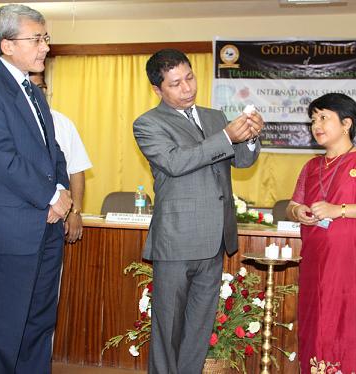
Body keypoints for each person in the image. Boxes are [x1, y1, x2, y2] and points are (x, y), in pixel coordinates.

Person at [133, 48, 264, 374]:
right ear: (158, 89)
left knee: (199, 329)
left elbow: (242, 161)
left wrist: (250, 136)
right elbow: (176, 163)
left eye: (189, 77)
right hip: (177, 240)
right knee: (169, 329)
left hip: (214, 238)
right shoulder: (148, 124)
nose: (187, 88)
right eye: (175, 84)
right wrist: (225, 136)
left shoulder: (213, 117)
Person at [0, 4, 72, 373]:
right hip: (10, 229)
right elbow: (0, 156)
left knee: (39, 323)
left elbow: (52, 152)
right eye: (36, 39)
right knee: (3, 326)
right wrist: (51, 196)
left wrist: (63, 192)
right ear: (7, 45)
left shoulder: (35, 93)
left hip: (48, 226)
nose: (45, 47)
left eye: (45, 38)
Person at [285, 93, 356, 373]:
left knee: (348, 328)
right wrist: (299, 213)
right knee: (315, 325)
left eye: (323, 118)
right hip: (316, 264)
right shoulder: (311, 166)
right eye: (313, 119)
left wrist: (339, 210)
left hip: (352, 266)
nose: (316, 125)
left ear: (346, 123)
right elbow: (292, 205)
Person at [30, 72, 92, 243]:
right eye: (30, 86)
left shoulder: (63, 123)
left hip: (57, 220)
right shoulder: (6, 122)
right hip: (19, 219)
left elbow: (76, 170)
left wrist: (75, 212)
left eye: (40, 87)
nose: (36, 91)